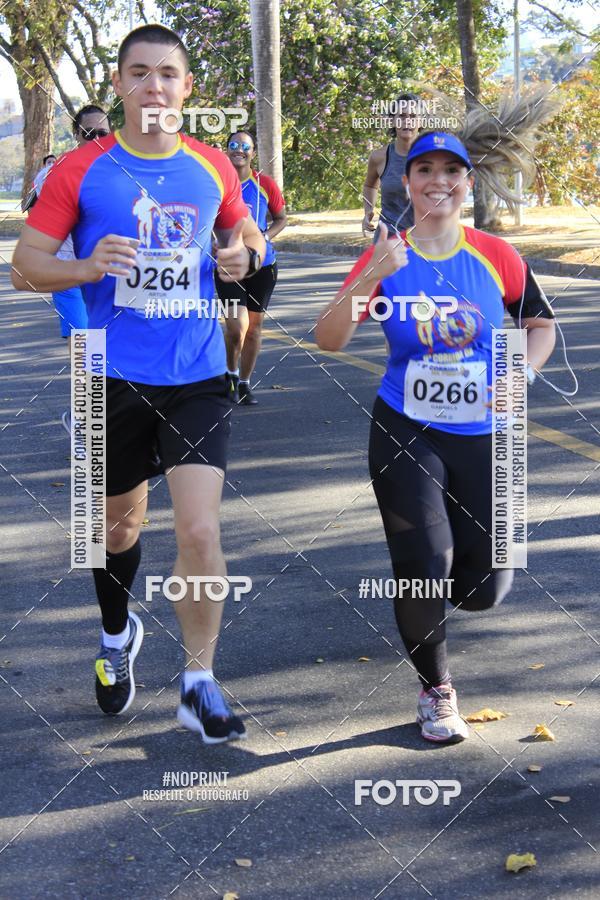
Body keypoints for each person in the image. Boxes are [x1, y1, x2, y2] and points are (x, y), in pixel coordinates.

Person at [12, 24, 266, 744]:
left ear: (187, 88)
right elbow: (25, 266)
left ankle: (199, 683)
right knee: (115, 528)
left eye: (168, 74)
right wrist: (87, 267)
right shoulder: (81, 171)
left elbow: (245, 234)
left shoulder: (212, 166)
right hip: (109, 374)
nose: (154, 85)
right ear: (120, 84)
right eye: (140, 73)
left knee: (199, 528)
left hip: (197, 374)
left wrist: (242, 256)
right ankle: (116, 631)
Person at [316, 114, 557, 744]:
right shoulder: (388, 256)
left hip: (486, 433)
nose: (438, 180)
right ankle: (436, 688)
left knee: (482, 590)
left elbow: (540, 326)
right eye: (425, 169)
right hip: (406, 427)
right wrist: (371, 273)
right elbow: (329, 338)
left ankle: (436, 590)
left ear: (467, 183)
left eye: (452, 170)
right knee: (423, 563)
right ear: (409, 180)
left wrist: (522, 373)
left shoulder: (497, 257)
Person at [35, 106, 112, 433]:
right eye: (89, 133)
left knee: (113, 346)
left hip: (111, 274)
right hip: (68, 271)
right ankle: (85, 419)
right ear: (76, 135)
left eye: (103, 133)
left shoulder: (123, 171)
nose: (96, 139)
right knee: (86, 344)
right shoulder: (52, 174)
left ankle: (103, 416)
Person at [214, 130, 287, 405]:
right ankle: (230, 376)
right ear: (227, 149)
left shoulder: (264, 184)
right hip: (229, 265)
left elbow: (281, 218)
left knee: (254, 328)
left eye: (245, 146)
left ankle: (244, 384)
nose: (239, 150)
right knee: (236, 327)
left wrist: (264, 237)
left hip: (261, 265)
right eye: (234, 144)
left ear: (253, 153)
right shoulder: (217, 183)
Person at [361, 93, 420, 239]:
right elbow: (370, 186)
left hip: (423, 242)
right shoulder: (379, 157)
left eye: (413, 116)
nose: (407, 121)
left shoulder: (433, 156)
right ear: (393, 120)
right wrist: (368, 211)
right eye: (402, 116)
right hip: (387, 240)